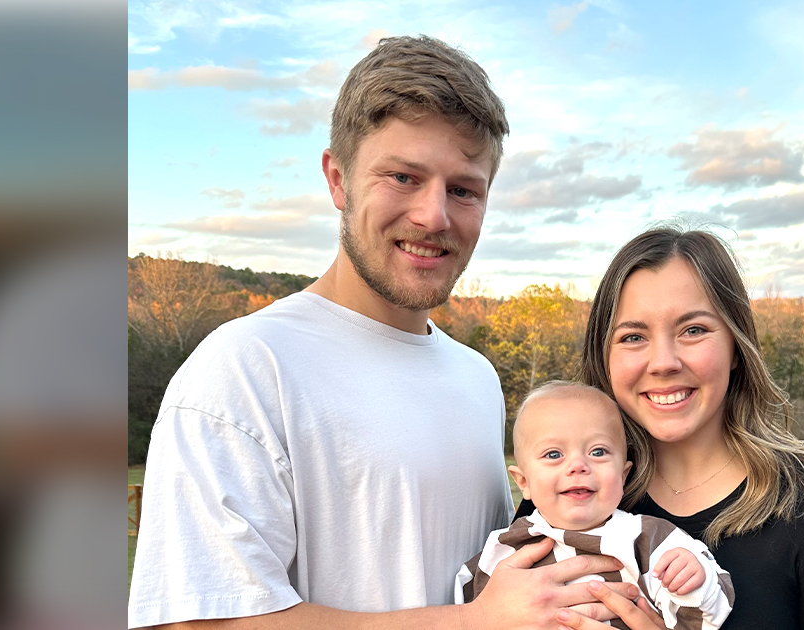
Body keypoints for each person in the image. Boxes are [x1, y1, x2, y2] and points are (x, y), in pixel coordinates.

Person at [127, 35, 634, 630]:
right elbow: (195, 622)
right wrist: (471, 623)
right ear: (338, 180)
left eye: (463, 189)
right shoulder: (246, 369)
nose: (434, 216)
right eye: (402, 177)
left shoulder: (476, 379)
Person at [521, 227, 804, 630]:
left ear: (735, 346)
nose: (663, 362)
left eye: (693, 330)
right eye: (633, 336)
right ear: (604, 357)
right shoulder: (562, 497)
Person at [457, 382, 734, 630]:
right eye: (554, 454)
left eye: (598, 452)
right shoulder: (506, 548)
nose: (578, 466)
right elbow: (464, 611)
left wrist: (692, 584)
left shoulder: (648, 540)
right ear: (523, 481)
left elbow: (707, 617)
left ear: (623, 475)